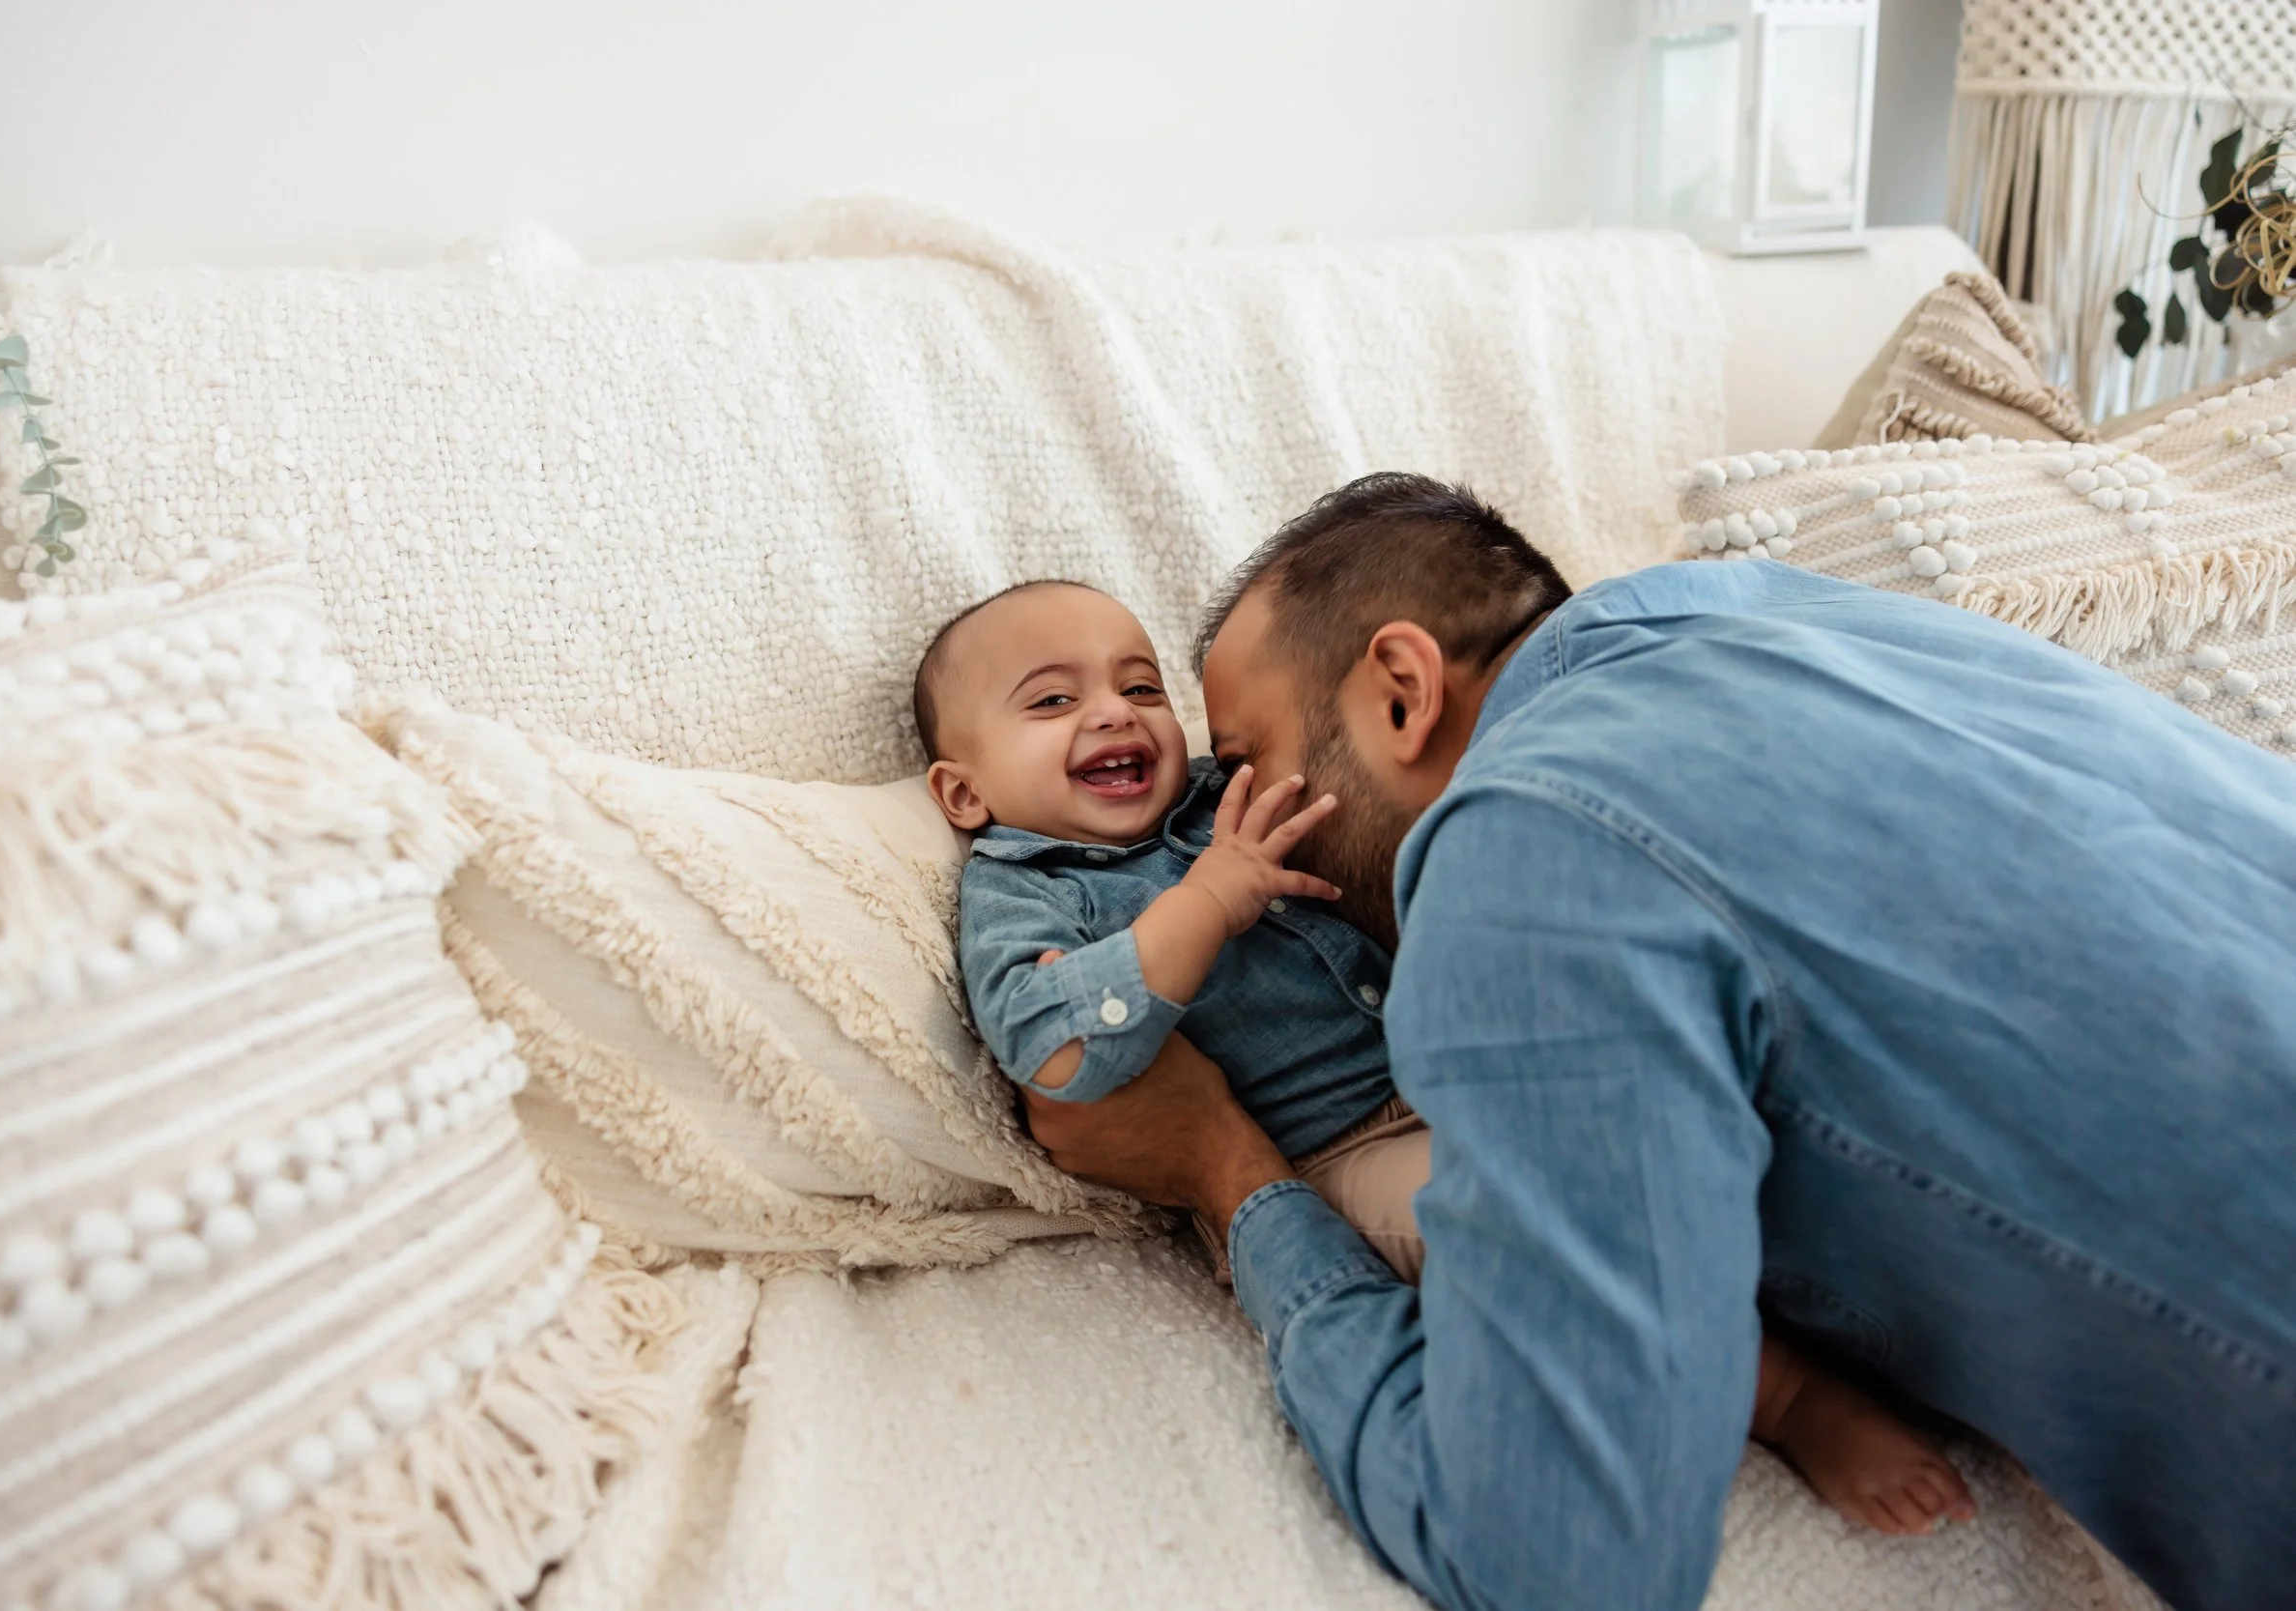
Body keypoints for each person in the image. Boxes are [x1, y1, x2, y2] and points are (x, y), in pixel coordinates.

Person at [1020, 473, 2296, 1611]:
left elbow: (1560, 1558)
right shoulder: (1793, 611)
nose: (1226, 813)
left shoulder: (1523, 840)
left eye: (1252, 761)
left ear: (1400, 691)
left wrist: (1227, 1169)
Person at [914, 577, 1978, 1538]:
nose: (1114, 712)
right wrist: (1204, 901)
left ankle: (1881, 1296)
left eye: (1139, 685)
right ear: (964, 794)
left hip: (1451, 1049)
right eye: (1052, 701)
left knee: (1662, 1135)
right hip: (1341, 1148)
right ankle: (1788, 1397)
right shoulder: (1026, 889)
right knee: (1526, 1219)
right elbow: (1053, 1052)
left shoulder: (1219, 794)